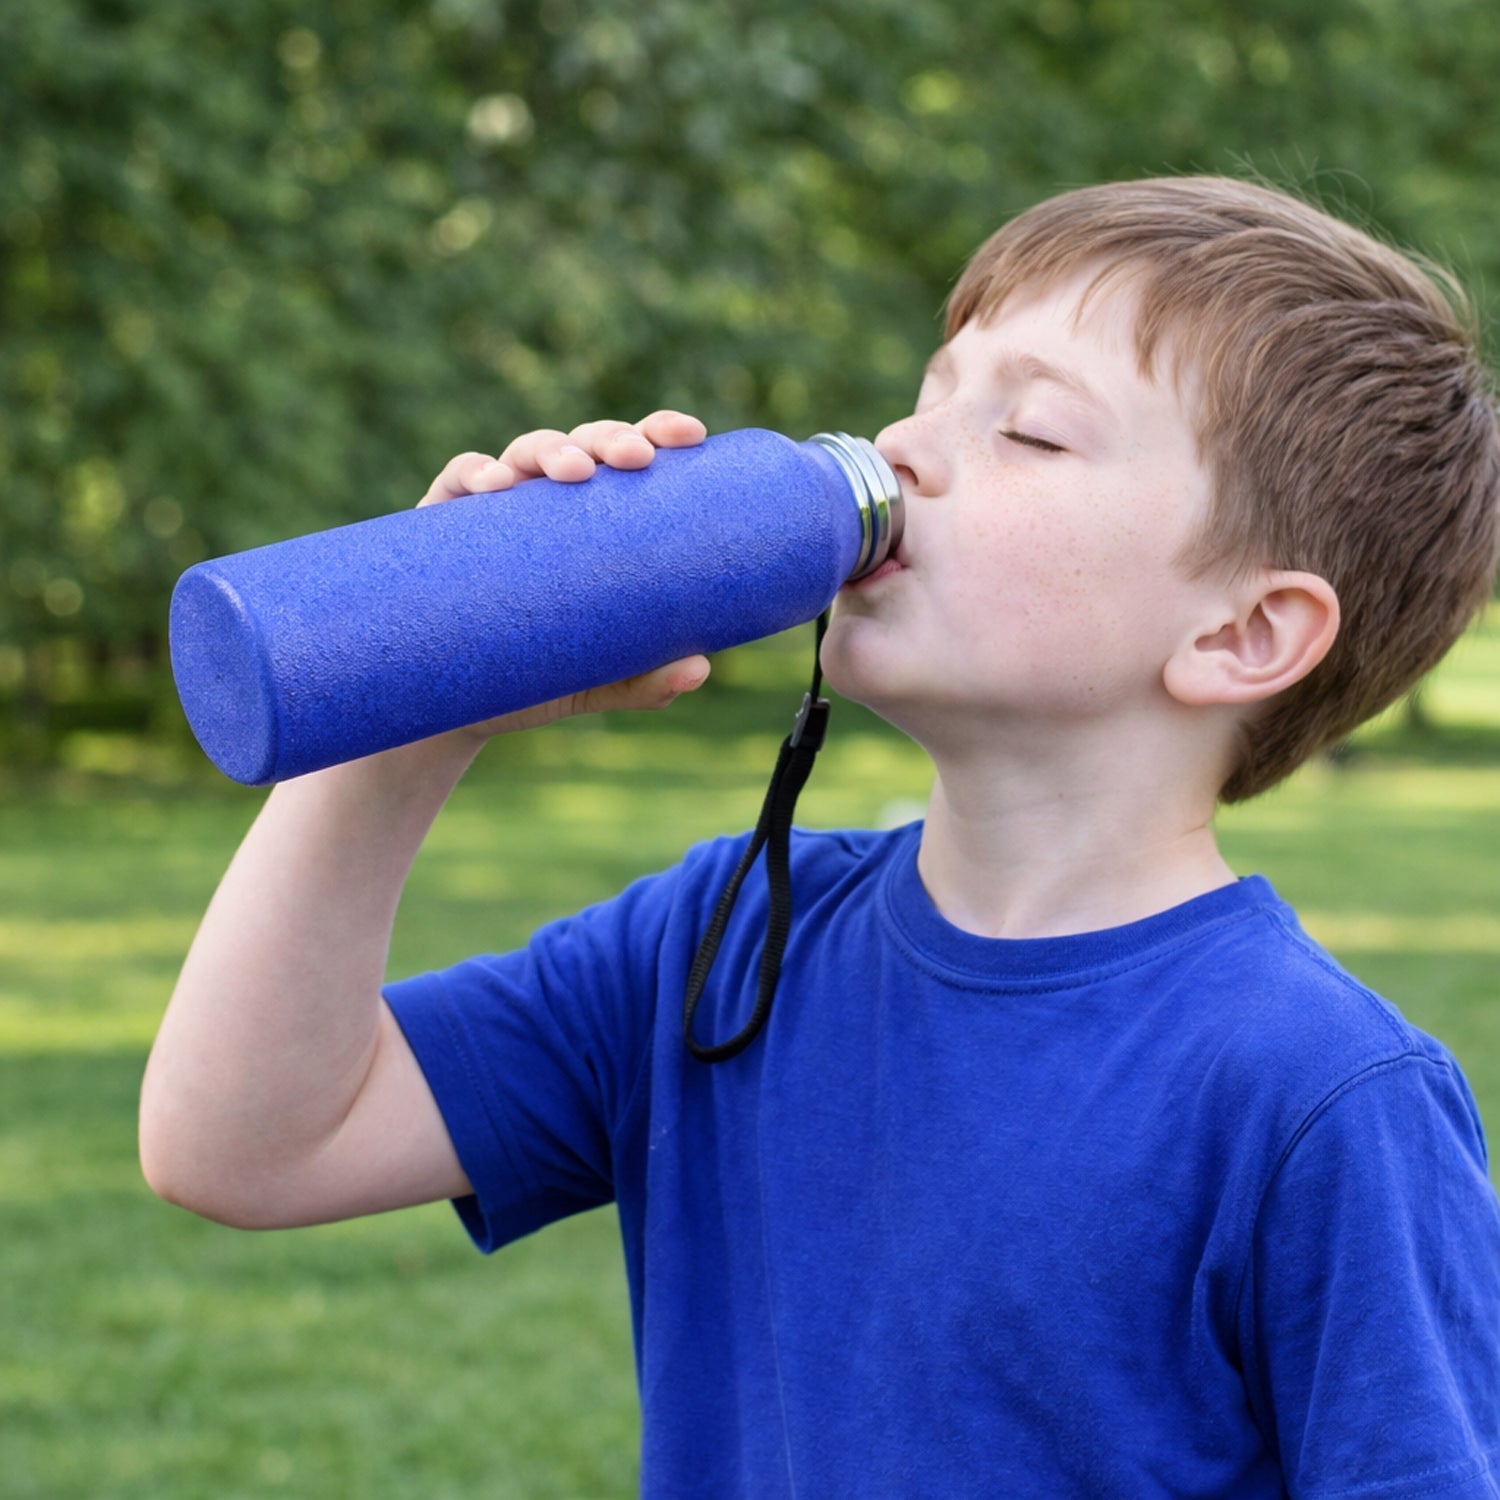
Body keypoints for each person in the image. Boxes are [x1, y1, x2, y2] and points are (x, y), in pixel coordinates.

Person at [140, 176, 1500, 1497]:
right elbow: (247, 1147)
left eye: (1027, 432)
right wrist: (416, 705)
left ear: (1243, 635)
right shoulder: (723, 945)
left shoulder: (1321, 1094)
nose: (903, 450)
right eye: (928, 396)